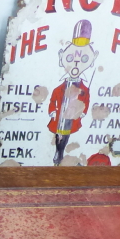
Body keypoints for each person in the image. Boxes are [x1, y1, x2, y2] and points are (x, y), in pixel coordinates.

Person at [48, 19, 97, 166]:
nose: (76, 62)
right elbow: (53, 98)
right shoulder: (60, 87)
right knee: (59, 132)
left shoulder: (84, 89)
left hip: (72, 115)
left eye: (83, 58)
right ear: (61, 56)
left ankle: (61, 153)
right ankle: (58, 151)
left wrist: (82, 112)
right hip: (60, 113)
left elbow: (86, 100)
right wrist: (52, 111)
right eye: (70, 58)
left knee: (67, 132)